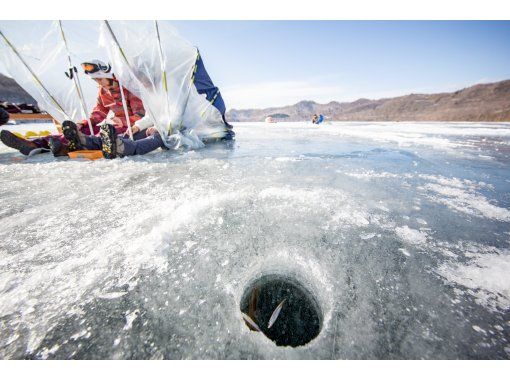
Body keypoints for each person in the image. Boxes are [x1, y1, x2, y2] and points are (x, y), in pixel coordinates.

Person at [0, 59, 146, 157]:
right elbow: (99, 113)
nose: (98, 83)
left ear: (109, 75)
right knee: (81, 130)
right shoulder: (103, 91)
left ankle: (70, 147)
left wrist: (124, 121)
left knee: (99, 134)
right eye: (95, 80)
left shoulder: (127, 88)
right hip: (114, 124)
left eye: (100, 79)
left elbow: (140, 115)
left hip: (130, 127)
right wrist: (82, 123)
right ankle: (35, 144)